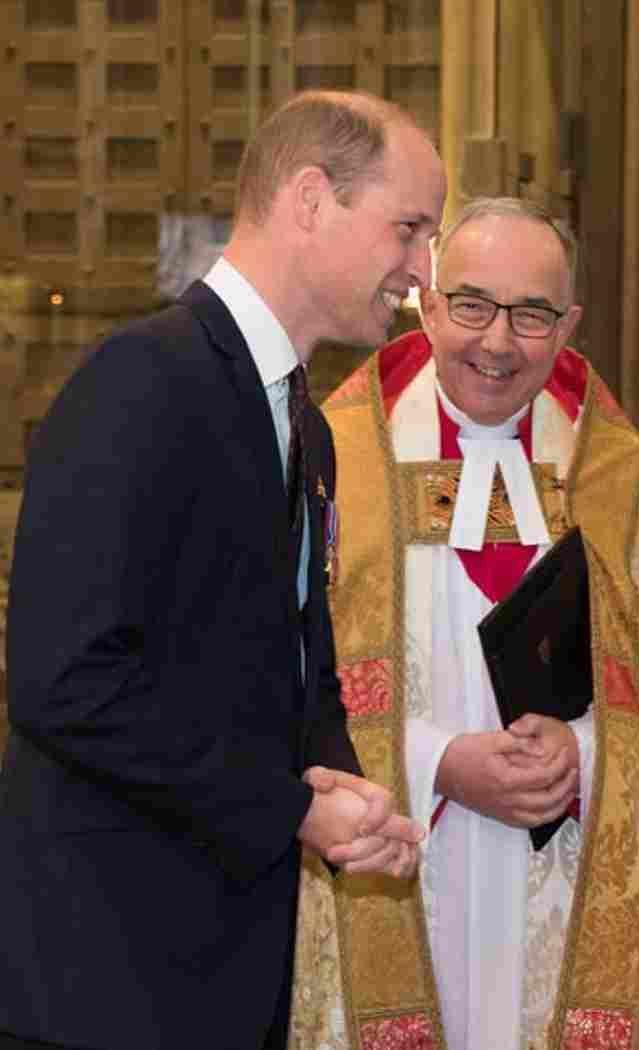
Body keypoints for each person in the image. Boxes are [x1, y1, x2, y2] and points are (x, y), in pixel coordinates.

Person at [0, 90, 437, 1050]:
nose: (420, 270)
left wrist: (344, 790)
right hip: (109, 976)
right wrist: (290, 808)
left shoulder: (306, 421)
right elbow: (65, 683)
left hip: (229, 968)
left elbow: (288, 659)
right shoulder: (141, 379)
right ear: (311, 199)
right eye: (408, 228)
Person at [288, 197, 639, 1050]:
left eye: (532, 314)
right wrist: (439, 761)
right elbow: (284, 680)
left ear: (569, 324)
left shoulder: (610, 471)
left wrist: (582, 753)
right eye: (472, 305)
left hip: (567, 865)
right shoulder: (338, 458)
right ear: (430, 304)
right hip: (402, 853)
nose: (498, 342)